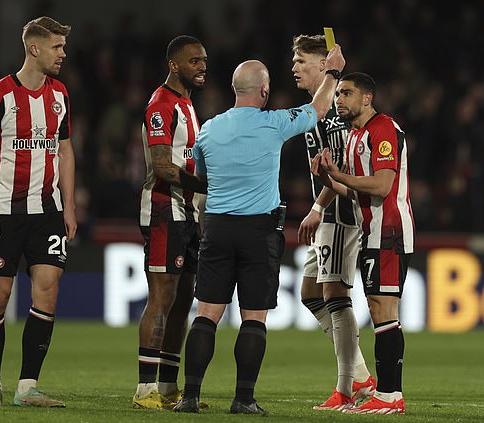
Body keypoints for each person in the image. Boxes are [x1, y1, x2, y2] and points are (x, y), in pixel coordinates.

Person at [173, 45, 346, 415]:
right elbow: (317, 110)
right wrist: (332, 73)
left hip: (216, 228)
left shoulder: (208, 130)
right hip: (258, 231)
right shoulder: (275, 123)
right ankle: (243, 399)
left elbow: (201, 181)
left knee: (205, 315)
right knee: (253, 317)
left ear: (236, 90)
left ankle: (189, 397)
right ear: (264, 91)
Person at [0, 16, 76, 408]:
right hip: (4, 211)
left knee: (48, 290)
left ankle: (28, 387)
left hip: (47, 209)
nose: (63, 54)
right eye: (57, 47)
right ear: (34, 48)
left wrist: (70, 204)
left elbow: (65, 151)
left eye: (63, 47)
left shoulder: (61, 93)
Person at [312, 72, 415, 415]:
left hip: (390, 231)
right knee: (377, 308)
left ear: (367, 98)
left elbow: (383, 186)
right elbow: (356, 192)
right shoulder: (357, 136)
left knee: (385, 310)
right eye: (338, 93)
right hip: (373, 231)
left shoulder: (382, 129)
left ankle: (389, 395)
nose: (339, 99)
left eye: (346, 93)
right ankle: (384, 394)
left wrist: (339, 175)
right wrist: (328, 176)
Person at [291, 34, 375, 410]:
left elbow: (340, 168)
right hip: (328, 215)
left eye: (301, 61)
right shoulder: (315, 108)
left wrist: (316, 206)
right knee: (311, 292)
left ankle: (348, 387)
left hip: (340, 215)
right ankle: (360, 375)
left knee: (335, 295)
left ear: (324, 66)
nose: (294, 68)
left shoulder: (334, 114)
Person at [133, 35, 209, 410]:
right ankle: (145, 389)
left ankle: (166, 387)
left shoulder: (188, 105)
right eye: (194, 61)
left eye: (204, 60)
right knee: (162, 296)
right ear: (174, 65)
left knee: (183, 299)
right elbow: (163, 166)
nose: (202, 67)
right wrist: (208, 184)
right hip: (165, 210)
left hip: (188, 214)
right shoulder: (161, 105)